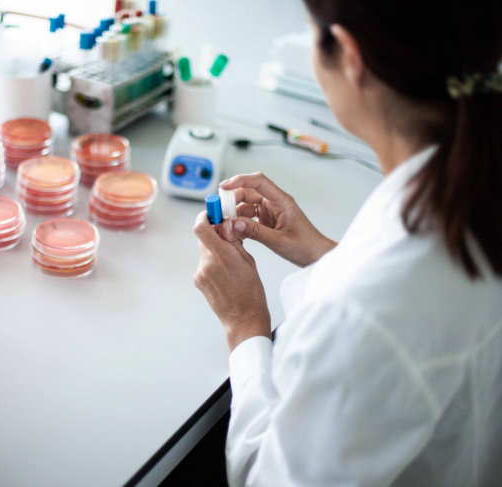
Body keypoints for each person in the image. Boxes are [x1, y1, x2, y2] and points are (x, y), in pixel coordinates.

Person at [192, 0, 502, 485]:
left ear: (350, 57)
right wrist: (322, 255)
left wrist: (244, 325)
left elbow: (268, 477)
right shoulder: (475, 189)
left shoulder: (363, 312)